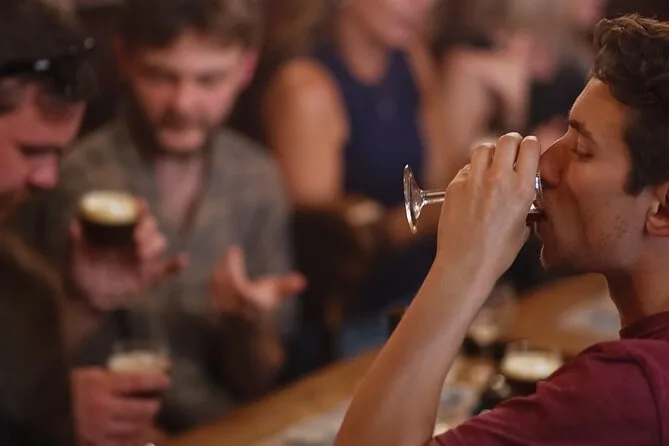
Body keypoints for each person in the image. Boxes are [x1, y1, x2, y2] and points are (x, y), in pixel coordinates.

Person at [334, 14, 669, 446]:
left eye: (582, 150)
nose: (544, 166)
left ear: (662, 209)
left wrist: (463, 266)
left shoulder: (630, 390)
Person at [32, 0, 305, 435]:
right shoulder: (70, 179)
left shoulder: (257, 178)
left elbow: (261, 377)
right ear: (124, 59)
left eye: (209, 80)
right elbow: (32, 371)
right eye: (160, 76)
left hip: (235, 425)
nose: (183, 103)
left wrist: (248, 324)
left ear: (246, 68)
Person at [0, 1, 174, 445]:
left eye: (58, 153)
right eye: (30, 150)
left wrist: (87, 304)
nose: (47, 178)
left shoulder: (19, 269)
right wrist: (53, 411)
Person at [263, 0, 452, 357]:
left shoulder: (411, 58)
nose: (424, 5)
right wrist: (442, 211)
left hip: (423, 292)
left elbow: (440, 176)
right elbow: (327, 250)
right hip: (352, 324)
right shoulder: (305, 87)